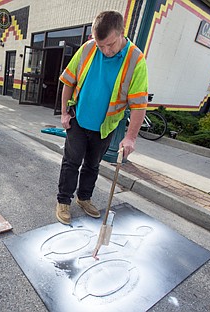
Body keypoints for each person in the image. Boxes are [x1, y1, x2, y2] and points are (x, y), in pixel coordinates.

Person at [55, 11, 148, 224]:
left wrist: (131, 137)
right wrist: (63, 113)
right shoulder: (88, 48)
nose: (106, 50)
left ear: (122, 33)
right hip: (78, 120)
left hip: (105, 127)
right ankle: (63, 201)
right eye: (100, 45)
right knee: (71, 162)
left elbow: (138, 104)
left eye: (111, 45)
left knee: (92, 166)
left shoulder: (136, 60)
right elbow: (68, 82)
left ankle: (84, 198)